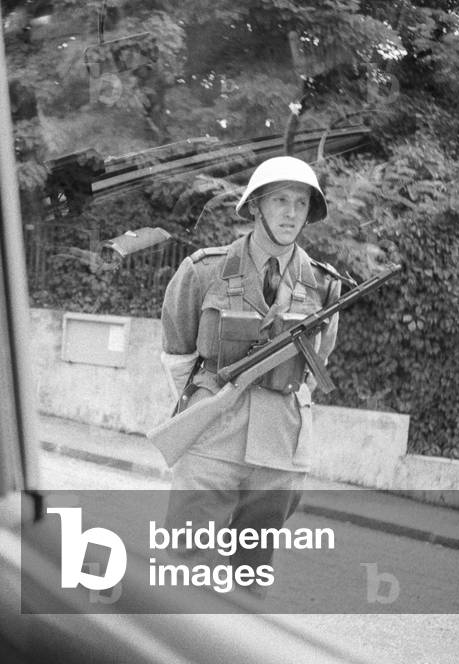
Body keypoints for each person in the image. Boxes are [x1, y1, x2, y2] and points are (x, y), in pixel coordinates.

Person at [159, 156, 343, 588]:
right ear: (256, 204)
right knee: (188, 569)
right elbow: (178, 355)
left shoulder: (324, 285)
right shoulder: (203, 271)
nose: (290, 212)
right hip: (212, 440)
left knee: (251, 577)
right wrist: (207, 410)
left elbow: (319, 364)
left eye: (300, 202)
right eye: (279, 199)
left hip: (280, 448)